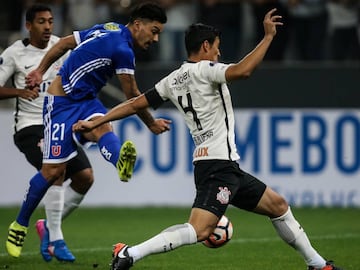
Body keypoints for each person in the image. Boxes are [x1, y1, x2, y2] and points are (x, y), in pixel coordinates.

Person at [73, 9, 343, 270]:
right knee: (199, 230)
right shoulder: (207, 69)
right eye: (217, 46)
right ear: (205, 46)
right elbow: (243, 71)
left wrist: (98, 120)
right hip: (217, 168)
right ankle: (130, 253)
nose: (219, 52)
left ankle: (317, 265)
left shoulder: (172, 79)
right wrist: (268, 37)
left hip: (225, 167)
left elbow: (134, 103)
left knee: (278, 206)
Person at [6, 2, 170, 261]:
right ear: (138, 25)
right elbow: (132, 96)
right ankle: (19, 224)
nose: (156, 38)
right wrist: (150, 123)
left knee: (103, 126)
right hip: (59, 104)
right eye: (154, 30)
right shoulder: (123, 49)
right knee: (52, 172)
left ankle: (120, 162)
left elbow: (63, 44)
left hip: (87, 101)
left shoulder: (110, 27)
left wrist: (39, 70)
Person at [0, 4, 94, 262]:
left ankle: (47, 226)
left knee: (85, 177)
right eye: (41, 22)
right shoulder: (14, 54)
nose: (48, 27)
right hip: (29, 126)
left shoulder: (59, 48)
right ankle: (57, 240)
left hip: (58, 123)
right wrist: (19, 91)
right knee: (57, 170)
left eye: (51, 21)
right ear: (28, 26)